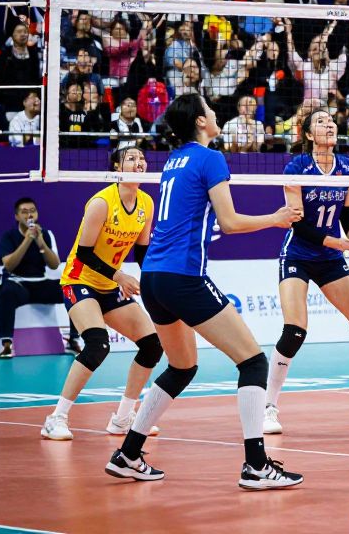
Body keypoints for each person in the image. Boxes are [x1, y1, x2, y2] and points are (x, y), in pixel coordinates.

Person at [105, 94, 303, 488]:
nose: (217, 115)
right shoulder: (210, 158)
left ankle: (128, 453)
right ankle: (257, 465)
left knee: (182, 366)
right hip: (182, 276)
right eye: (211, 111)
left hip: (154, 278)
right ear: (200, 121)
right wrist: (275, 219)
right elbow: (228, 223)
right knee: (252, 362)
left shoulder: (172, 163)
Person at [264, 109, 349, 434]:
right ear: (307, 134)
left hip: (330, 257)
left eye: (331, 120)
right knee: (295, 330)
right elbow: (299, 225)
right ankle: (268, 406)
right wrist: (346, 246)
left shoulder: (348, 167)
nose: (329, 124)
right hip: (299, 254)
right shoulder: (296, 168)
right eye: (320, 121)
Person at [41, 148, 163, 441]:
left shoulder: (146, 203)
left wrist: (154, 283)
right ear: (116, 167)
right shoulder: (101, 202)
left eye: (142, 158)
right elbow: (83, 254)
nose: (140, 162)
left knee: (152, 345)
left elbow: (143, 252)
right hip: (78, 279)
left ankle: (122, 418)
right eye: (131, 158)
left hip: (109, 286)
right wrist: (119, 275)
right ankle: (56, 417)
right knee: (97, 345)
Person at [0, 197, 78, 359]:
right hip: (18, 283)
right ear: (17, 217)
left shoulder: (46, 234)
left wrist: (39, 241)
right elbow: (9, 265)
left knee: (72, 289)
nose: (29, 215)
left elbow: (54, 265)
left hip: (41, 283)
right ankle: (7, 344)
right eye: (24, 212)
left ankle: (73, 340)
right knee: (6, 292)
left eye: (32, 211)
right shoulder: (8, 236)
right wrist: (27, 240)